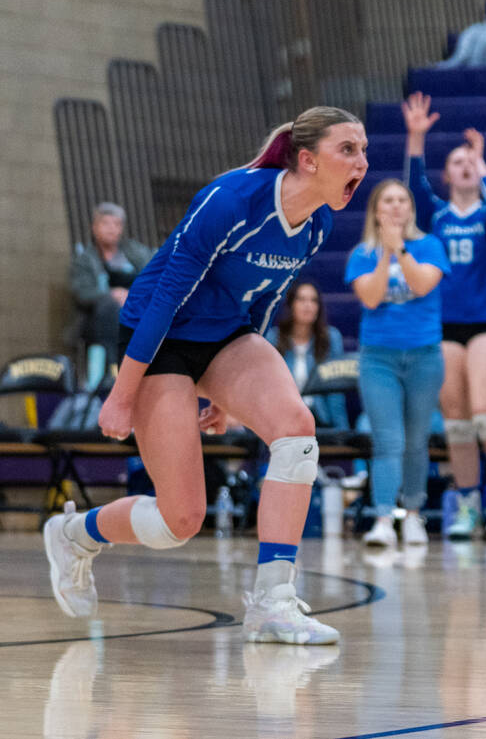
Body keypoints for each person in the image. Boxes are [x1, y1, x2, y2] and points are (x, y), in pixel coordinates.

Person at [43, 106, 369, 644]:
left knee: (296, 428)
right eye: (348, 150)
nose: (361, 162)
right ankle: (75, 535)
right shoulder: (232, 200)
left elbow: (266, 300)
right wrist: (122, 394)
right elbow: (166, 295)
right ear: (308, 160)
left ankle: (272, 603)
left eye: (362, 150)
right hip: (161, 337)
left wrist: (231, 394)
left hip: (225, 337)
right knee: (180, 521)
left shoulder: (316, 225)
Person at [402, 93, 486, 539]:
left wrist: (485, 165)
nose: (464, 165)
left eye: (469, 161)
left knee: (485, 414)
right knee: (455, 422)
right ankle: (469, 504)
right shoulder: (436, 214)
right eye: (457, 161)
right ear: (445, 173)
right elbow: (413, 190)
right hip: (444, 327)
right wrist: (416, 135)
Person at [346, 179, 450, 548]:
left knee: (416, 442)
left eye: (401, 200)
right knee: (388, 441)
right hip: (379, 359)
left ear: (411, 208)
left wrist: (400, 249)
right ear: (376, 210)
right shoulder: (362, 254)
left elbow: (422, 286)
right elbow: (371, 298)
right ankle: (383, 519)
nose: (394, 206)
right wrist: (386, 253)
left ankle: (414, 516)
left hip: (424, 356)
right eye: (387, 200)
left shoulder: (431, 245)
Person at [68, 202, 154, 386]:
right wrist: (111, 294)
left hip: (136, 315)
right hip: (97, 323)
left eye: (116, 224)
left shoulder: (136, 253)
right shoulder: (85, 259)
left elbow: (154, 279)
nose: (112, 229)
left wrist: (131, 296)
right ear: (94, 227)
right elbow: (82, 293)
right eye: (106, 223)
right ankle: (108, 373)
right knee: (108, 307)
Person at [266, 279, 351, 431]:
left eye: (313, 300)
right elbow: (267, 390)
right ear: (291, 304)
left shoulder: (331, 337)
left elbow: (336, 389)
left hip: (319, 417)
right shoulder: (274, 338)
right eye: (301, 299)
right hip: (283, 418)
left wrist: (341, 430)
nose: (308, 305)